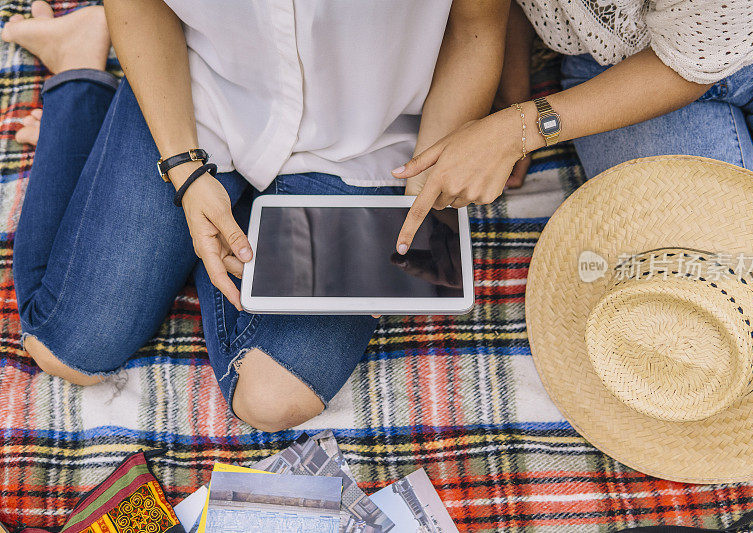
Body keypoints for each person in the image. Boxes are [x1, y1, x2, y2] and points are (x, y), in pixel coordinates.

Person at [5, 0, 509, 431]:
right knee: (66, 349)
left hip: (368, 137)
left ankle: (221, 216)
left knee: (272, 400)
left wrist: (415, 198)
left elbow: (476, 27)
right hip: (196, 95)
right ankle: (77, 66)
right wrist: (184, 171)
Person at [393, 0, 753, 253]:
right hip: (615, 68)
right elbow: (486, 17)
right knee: (715, 270)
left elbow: (690, 65)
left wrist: (521, 127)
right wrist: (513, 98)